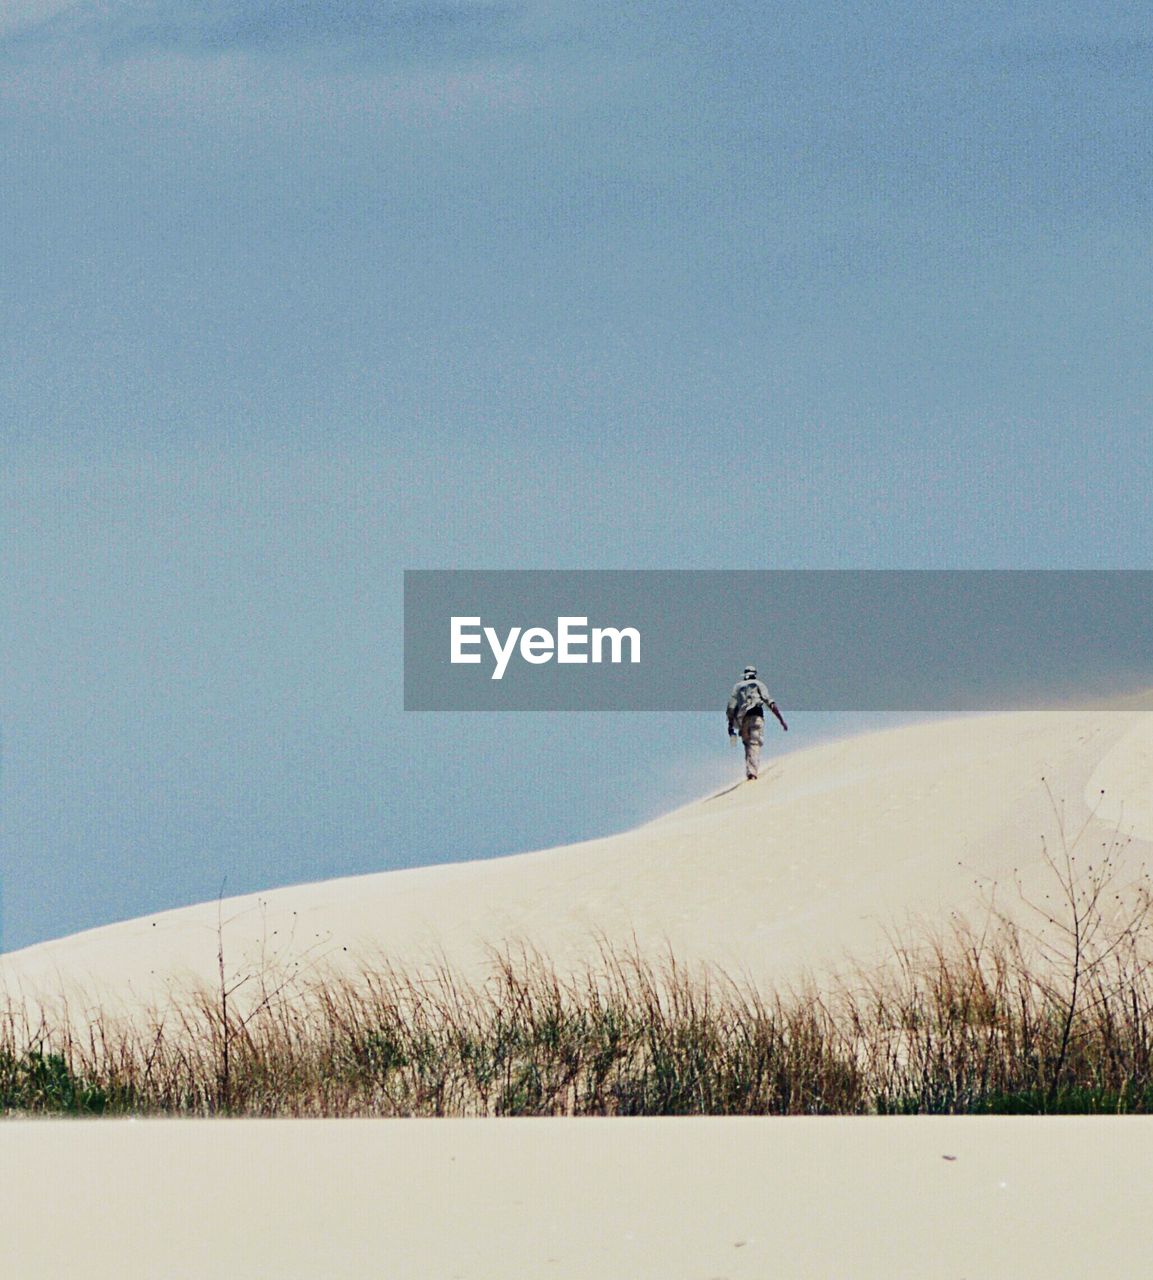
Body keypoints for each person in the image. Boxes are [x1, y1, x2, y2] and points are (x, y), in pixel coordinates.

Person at [726, 665, 787, 781]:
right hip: (756, 717)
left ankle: (750, 771)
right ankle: (752, 773)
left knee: (748, 744)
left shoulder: (737, 688)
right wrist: (781, 720)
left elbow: (731, 708)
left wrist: (730, 726)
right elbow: (770, 702)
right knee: (755, 743)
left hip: (742, 720)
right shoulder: (759, 684)